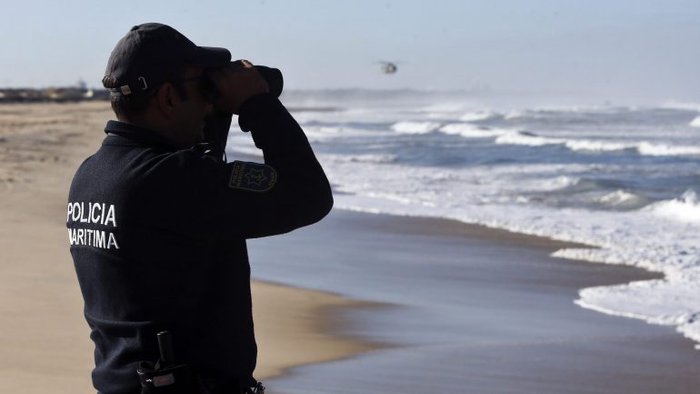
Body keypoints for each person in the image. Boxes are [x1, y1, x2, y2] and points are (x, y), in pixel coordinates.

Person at [66, 23, 333, 394]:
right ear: (168, 98)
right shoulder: (170, 181)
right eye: (201, 88)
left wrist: (216, 112)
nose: (209, 101)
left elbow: (204, 179)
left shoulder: (93, 175)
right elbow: (309, 195)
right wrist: (257, 104)